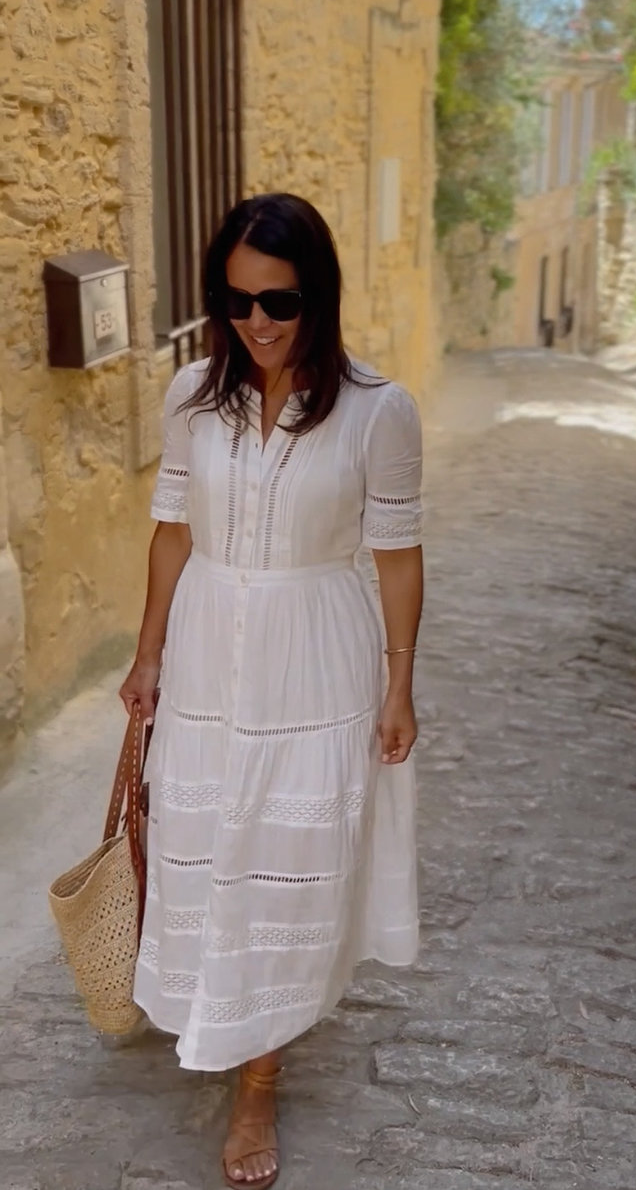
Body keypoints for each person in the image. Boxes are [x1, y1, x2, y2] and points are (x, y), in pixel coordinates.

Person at [119, 192, 423, 1189]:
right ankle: (217, 1002)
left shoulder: (380, 410)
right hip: (208, 644)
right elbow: (173, 530)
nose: (255, 321)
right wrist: (149, 654)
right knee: (206, 846)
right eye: (236, 299)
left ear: (318, 296)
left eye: (278, 301)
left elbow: (398, 555)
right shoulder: (193, 395)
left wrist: (399, 681)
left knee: (282, 853)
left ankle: (259, 1073)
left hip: (315, 656)